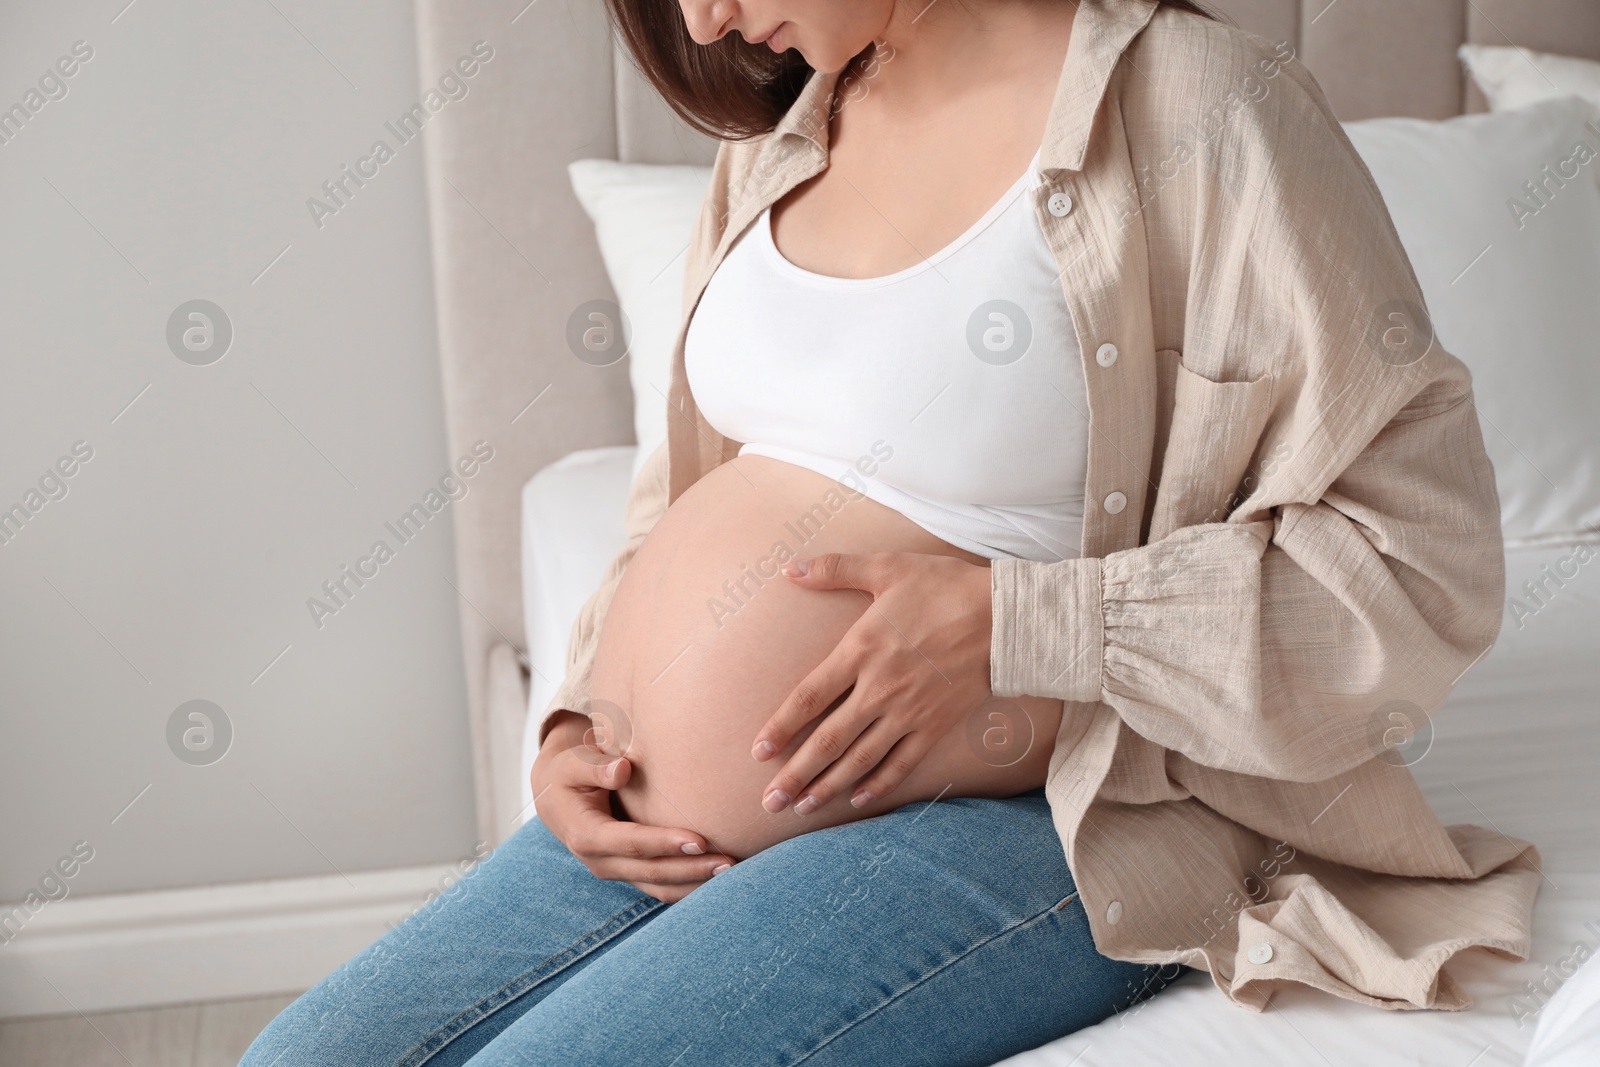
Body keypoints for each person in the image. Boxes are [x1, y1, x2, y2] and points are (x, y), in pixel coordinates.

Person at [244, 1, 1540, 1063]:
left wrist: (1023, 625)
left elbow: (1417, 557)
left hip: (1042, 806)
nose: (706, 19)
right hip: (661, 816)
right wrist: (583, 716)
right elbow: (685, 485)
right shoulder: (784, 139)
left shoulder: (1201, 110)